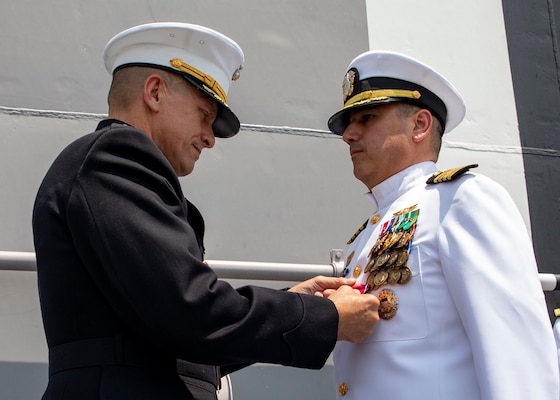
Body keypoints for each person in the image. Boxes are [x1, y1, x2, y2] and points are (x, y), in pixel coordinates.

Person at [32, 22, 380, 400]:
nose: (210, 137)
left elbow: (183, 344)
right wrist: (324, 318)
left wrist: (296, 302)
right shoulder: (115, 158)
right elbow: (190, 313)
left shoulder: (110, 168)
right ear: (154, 92)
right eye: (203, 114)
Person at [327, 50, 559, 399]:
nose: (349, 135)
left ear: (420, 125)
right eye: (348, 125)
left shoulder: (461, 200)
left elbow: (515, 354)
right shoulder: (366, 234)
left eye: (367, 117)